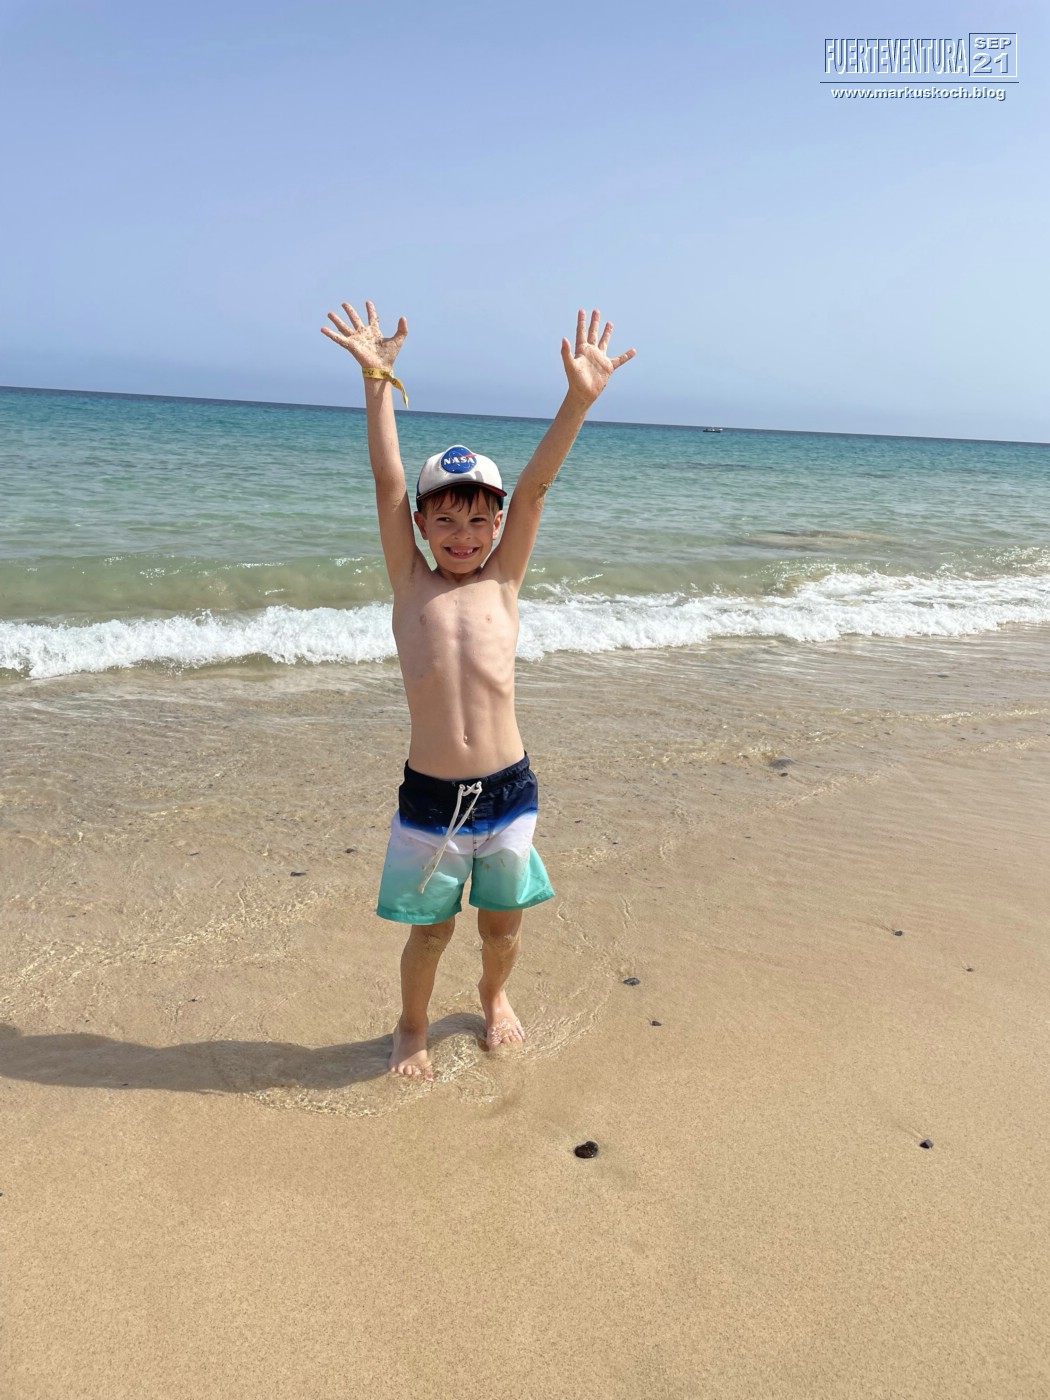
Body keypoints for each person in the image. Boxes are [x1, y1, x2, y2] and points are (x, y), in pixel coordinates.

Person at [321, 299, 636, 1079]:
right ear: (422, 526)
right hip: (431, 798)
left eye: (477, 522)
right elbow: (388, 481)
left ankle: (495, 997)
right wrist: (376, 380)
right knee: (429, 932)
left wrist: (578, 400)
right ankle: (412, 1025)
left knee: (502, 927)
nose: (462, 537)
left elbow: (533, 490)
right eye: (446, 522)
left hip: (509, 791)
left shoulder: (504, 583)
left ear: (496, 527)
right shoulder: (410, 584)